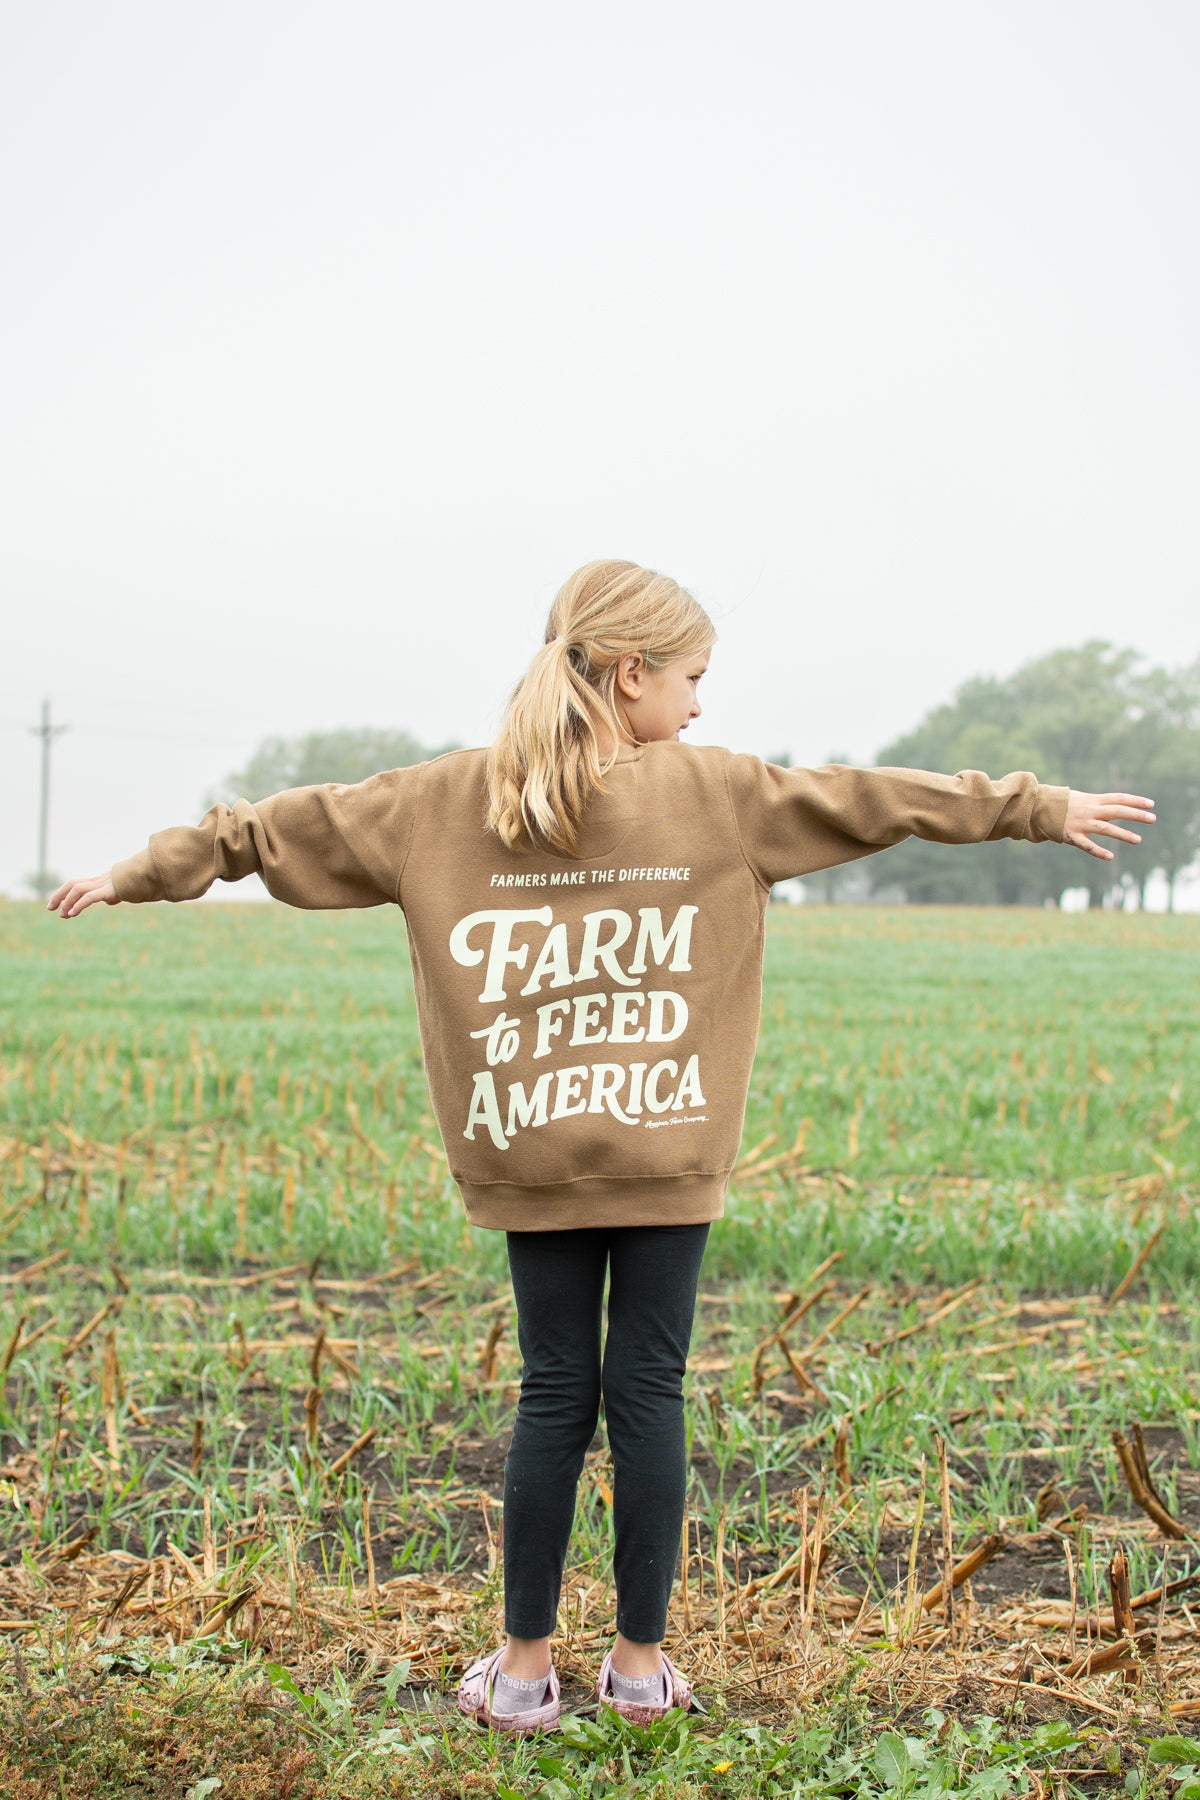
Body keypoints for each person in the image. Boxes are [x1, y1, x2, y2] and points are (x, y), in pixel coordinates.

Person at [49, 558, 1155, 1734]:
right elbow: (879, 799)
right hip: (669, 1152)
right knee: (649, 1389)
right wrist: (1033, 806)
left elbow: (269, 831)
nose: (700, 704)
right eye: (691, 678)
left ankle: (524, 1672)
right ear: (631, 674)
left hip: (530, 1157)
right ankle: (637, 1669)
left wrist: (138, 873)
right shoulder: (722, 794)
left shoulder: (441, 799)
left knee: (554, 1391)